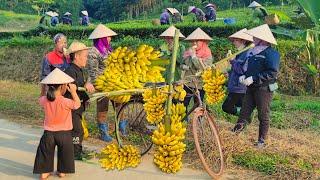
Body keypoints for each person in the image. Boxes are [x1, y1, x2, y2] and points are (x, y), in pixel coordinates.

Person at [232, 24, 280, 148]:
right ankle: (234, 135)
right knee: (244, 112)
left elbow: (272, 72)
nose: (253, 39)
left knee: (263, 114)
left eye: (255, 37)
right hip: (251, 88)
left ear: (262, 39)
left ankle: (261, 141)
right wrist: (244, 75)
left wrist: (254, 78)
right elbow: (248, 68)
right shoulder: (253, 52)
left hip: (264, 89)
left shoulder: (271, 53)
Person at [33, 68, 80, 179]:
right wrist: (73, 92)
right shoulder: (65, 101)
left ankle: (44, 172)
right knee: (65, 154)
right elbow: (77, 104)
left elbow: (40, 98)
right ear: (63, 87)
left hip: (49, 133)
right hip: (64, 134)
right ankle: (62, 172)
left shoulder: (45, 100)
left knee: (45, 153)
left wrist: (43, 89)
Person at [87, 24, 124, 142]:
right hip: (102, 83)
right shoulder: (93, 52)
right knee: (103, 108)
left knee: (119, 104)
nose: (110, 39)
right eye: (108, 37)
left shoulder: (108, 49)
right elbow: (93, 72)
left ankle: (122, 129)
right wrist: (100, 85)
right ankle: (103, 132)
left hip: (114, 82)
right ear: (101, 38)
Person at [64, 41, 93, 160]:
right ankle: (75, 153)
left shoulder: (79, 70)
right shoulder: (70, 70)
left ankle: (76, 150)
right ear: (76, 56)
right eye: (85, 56)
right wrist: (84, 86)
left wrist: (86, 97)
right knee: (77, 131)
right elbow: (72, 87)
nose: (87, 58)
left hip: (77, 106)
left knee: (77, 130)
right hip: (71, 106)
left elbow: (80, 86)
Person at [222, 29, 253, 116]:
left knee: (227, 107)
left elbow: (242, 70)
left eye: (235, 40)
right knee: (240, 107)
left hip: (240, 87)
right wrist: (228, 72)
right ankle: (244, 120)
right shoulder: (240, 53)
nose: (234, 42)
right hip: (236, 86)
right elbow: (236, 69)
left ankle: (245, 117)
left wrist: (232, 61)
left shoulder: (247, 53)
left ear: (243, 41)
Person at [181, 28, 213, 110]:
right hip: (188, 82)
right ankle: (185, 121)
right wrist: (190, 56)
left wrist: (194, 57)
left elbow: (201, 67)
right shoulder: (189, 52)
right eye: (193, 41)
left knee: (198, 104)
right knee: (184, 103)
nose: (194, 43)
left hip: (200, 83)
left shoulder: (207, 53)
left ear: (203, 42)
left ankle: (200, 120)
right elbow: (186, 64)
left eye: (197, 41)